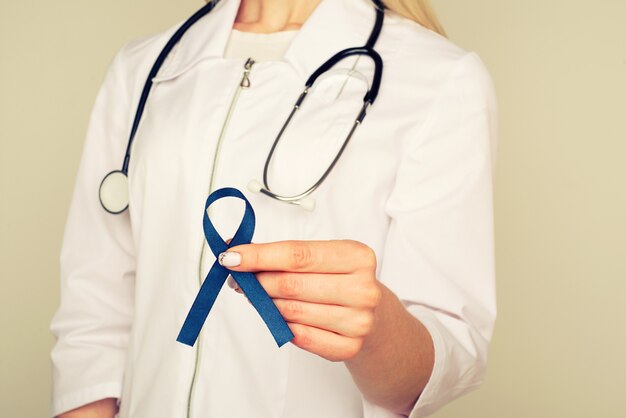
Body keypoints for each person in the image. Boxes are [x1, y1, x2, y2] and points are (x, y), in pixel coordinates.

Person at [50, 0, 497, 417]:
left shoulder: (439, 77)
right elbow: (94, 312)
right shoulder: (143, 68)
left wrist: (375, 328)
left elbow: (441, 364)